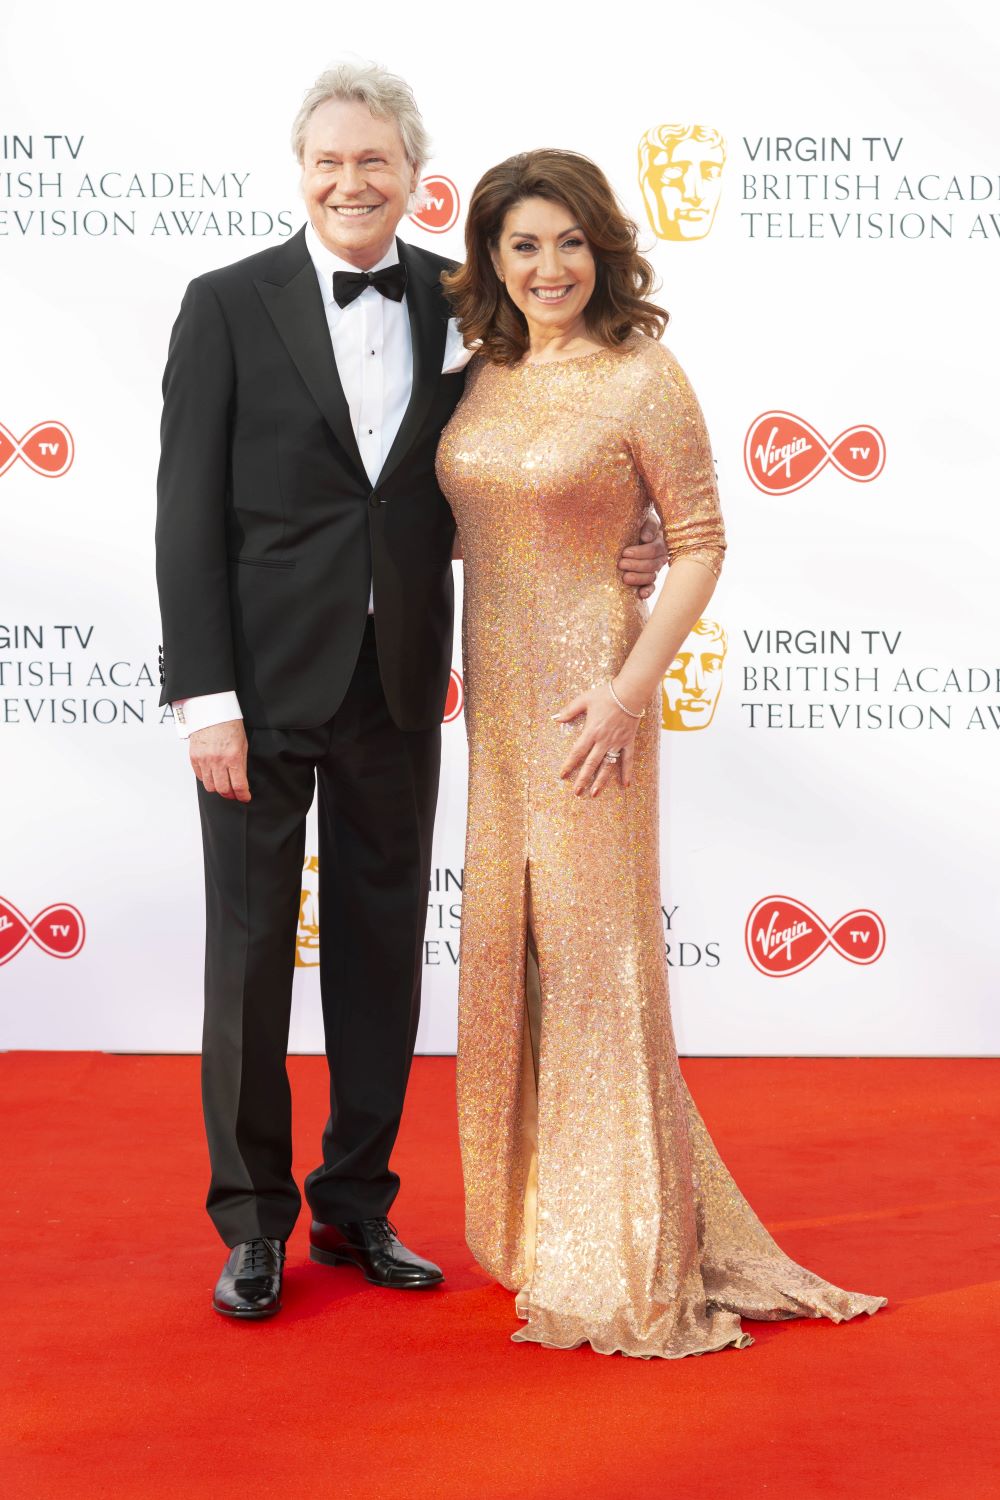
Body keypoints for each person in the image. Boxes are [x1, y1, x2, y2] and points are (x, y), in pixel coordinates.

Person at [154, 65, 668, 1320]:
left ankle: (356, 1208)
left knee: (383, 952)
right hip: (260, 690)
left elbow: (530, 447)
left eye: (373, 162)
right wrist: (201, 695)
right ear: (300, 170)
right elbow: (182, 515)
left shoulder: (463, 302)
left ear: (411, 172)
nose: (350, 182)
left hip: (399, 686)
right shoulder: (224, 305)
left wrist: (632, 529)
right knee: (249, 954)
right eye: (329, 162)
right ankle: (254, 1221)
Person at [435, 149, 888, 1359]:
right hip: (495, 720)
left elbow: (695, 540)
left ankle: (623, 1244)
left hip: (592, 706)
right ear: (489, 256)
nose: (548, 268)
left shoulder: (643, 374)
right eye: (523, 245)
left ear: (605, 247)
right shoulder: (475, 371)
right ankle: (541, 1221)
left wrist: (632, 692)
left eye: (569, 242)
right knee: (515, 955)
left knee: (598, 963)